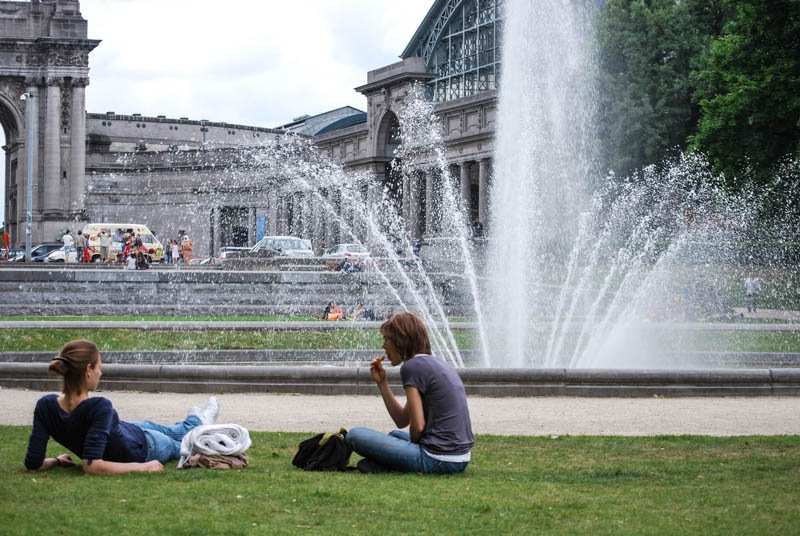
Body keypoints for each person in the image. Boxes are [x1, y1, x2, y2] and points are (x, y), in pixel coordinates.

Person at [24, 340, 219, 474]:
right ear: (88, 370)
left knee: (166, 428)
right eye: (99, 366)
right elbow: (92, 467)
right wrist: (143, 467)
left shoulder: (46, 406)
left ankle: (195, 421)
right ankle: (199, 424)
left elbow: (34, 465)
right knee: (187, 445)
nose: (101, 371)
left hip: (126, 430)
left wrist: (56, 461)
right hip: (147, 446)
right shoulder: (98, 407)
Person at [346, 312, 474, 474]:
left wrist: (412, 446)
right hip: (460, 457)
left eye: (387, 339)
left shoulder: (412, 367)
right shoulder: (432, 363)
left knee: (354, 435)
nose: (383, 346)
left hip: (438, 458)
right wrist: (382, 383)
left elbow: (418, 427)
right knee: (395, 435)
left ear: (401, 341)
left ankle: (386, 465)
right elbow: (401, 420)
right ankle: (383, 465)